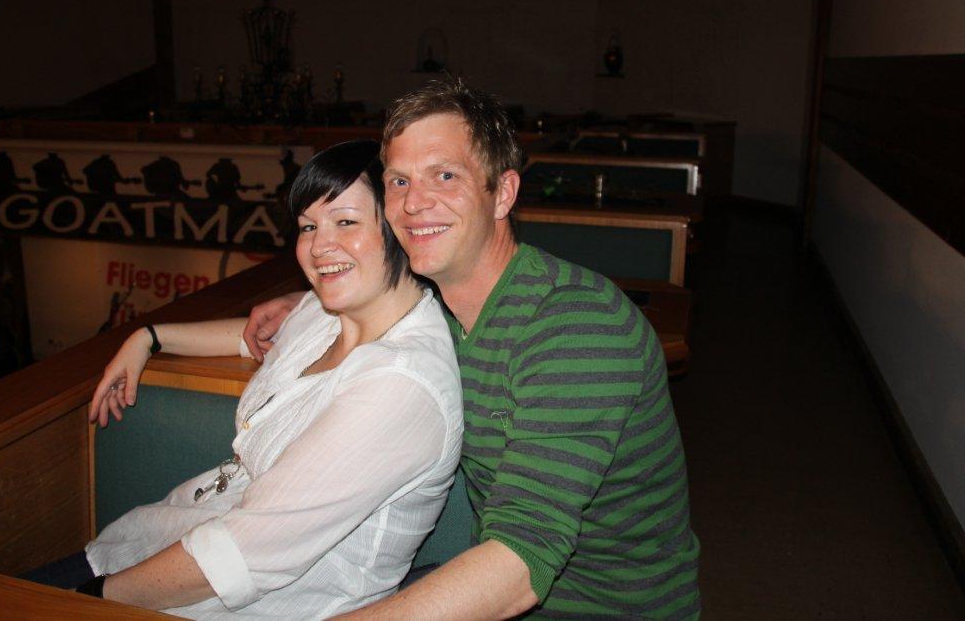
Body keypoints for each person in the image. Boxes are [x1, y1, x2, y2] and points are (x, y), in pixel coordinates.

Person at [244, 79, 701, 619]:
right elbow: (356, 305)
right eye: (399, 181)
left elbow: (518, 565)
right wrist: (302, 303)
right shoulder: (437, 305)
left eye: (445, 175)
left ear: (503, 193)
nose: (414, 202)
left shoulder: (576, 327)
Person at [79, 139, 464, 618]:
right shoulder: (332, 313)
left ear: (398, 226)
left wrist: (84, 601)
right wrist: (149, 337)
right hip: (166, 535)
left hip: (263, 602)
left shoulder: (400, 385)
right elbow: (254, 338)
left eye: (345, 221)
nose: (319, 247)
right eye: (308, 226)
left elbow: (241, 555)